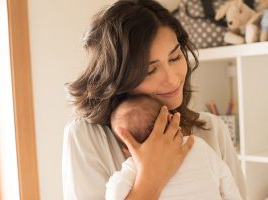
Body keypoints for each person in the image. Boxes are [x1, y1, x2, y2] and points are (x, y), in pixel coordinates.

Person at [62, 0, 246, 199]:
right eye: (150, 70)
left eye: (175, 57)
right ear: (118, 78)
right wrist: (151, 178)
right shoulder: (87, 137)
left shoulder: (212, 129)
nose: (173, 79)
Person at [106, 95, 242, 200]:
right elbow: (226, 176)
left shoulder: (134, 167)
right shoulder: (198, 145)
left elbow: (115, 194)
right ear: (171, 120)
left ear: (128, 150)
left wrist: (112, 184)